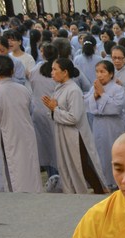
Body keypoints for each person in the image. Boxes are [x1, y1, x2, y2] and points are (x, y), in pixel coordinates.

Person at [42, 58, 107, 194]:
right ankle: (71, 190)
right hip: (63, 133)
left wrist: (55, 109)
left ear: (65, 72)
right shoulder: (59, 88)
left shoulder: (73, 90)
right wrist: (53, 109)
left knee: (80, 165)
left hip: (75, 135)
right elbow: (54, 112)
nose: (51, 72)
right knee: (67, 164)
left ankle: (99, 191)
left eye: (54, 69)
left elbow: (74, 117)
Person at [0, 55, 42, 193]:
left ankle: (17, 193)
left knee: (13, 165)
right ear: (13, 70)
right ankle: (34, 192)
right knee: (29, 163)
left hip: (8, 132)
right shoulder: (23, 89)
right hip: (26, 131)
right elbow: (31, 109)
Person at [85, 60, 125, 188]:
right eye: (97, 72)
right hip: (98, 125)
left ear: (111, 74)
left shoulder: (118, 89)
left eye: (102, 72)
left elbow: (116, 107)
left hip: (113, 126)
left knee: (114, 153)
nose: (99, 75)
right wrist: (94, 96)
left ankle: (117, 181)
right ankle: (104, 181)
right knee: (100, 154)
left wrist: (102, 94)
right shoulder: (94, 87)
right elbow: (87, 104)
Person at [29, 43, 59, 181]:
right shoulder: (58, 70)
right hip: (54, 112)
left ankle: (51, 175)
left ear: (43, 54)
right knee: (56, 146)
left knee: (45, 146)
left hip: (39, 112)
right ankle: (58, 176)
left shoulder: (35, 70)